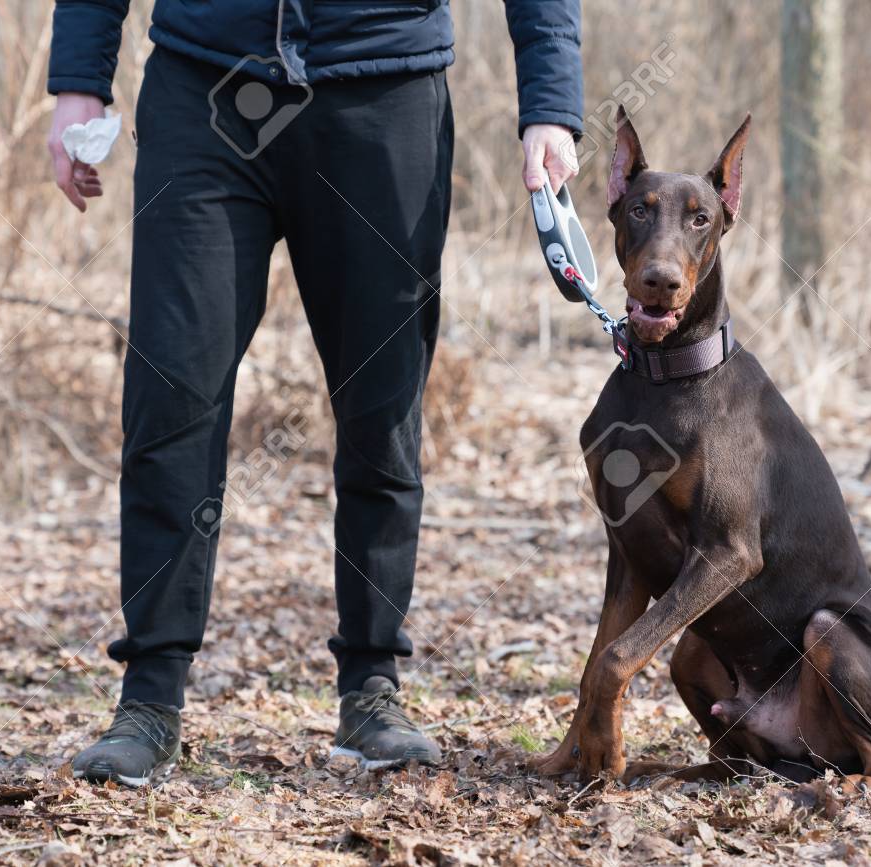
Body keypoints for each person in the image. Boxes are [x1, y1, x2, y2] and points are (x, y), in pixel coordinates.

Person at [46, 0, 582, 786]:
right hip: (206, 86)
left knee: (383, 406)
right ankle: (150, 696)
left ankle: (372, 685)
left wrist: (551, 102)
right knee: (171, 391)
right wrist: (78, 81)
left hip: (384, 86)